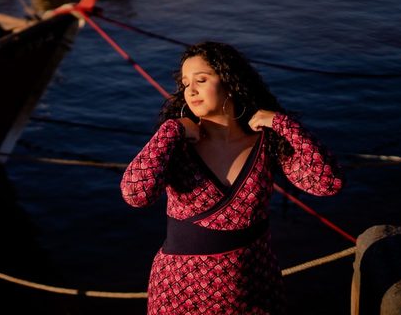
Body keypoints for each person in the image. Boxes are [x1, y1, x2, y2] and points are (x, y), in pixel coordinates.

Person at [121, 41, 344, 315]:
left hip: (255, 287)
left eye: (201, 80)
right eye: (184, 83)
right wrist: (171, 130)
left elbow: (327, 183)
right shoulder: (177, 146)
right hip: (180, 290)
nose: (190, 90)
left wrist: (282, 124)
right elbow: (136, 195)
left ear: (230, 81)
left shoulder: (266, 143)